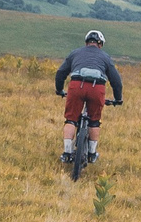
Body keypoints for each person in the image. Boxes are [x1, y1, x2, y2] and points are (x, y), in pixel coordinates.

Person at [51, 29, 123, 164]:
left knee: (71, 119)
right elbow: (116, 81)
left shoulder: (75, 53)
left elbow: (61, 72)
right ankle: (91, 154)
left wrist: (59, 89)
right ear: (100, 44)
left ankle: (67, 153)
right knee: (94, 120)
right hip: (97, 88)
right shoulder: (105, 57)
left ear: (86, 43)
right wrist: (118, 99)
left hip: (77, 86)